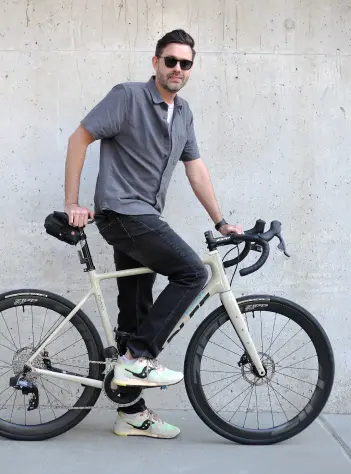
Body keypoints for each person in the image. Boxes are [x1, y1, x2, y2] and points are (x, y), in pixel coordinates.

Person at [64, 29, 243, 439]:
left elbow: (195, 168)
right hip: (122, 214)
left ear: (190, 69)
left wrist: (220, 221)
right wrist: (73, 202)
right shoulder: (127, 97)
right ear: (156, 62)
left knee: (137, 313)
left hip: (141, 219)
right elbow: (80, 137)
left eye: (186, 63)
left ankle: (131, 412)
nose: (178, 68)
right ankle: (138, 357)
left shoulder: (182, 114)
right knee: (193, 274)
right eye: (171, 61)